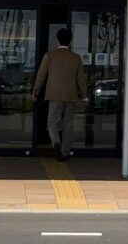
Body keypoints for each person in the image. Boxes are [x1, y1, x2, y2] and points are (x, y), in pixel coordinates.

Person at [30, 26, 89, 161]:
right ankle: (65, 151)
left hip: (54, 95)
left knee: (52, 123)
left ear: (57, 40)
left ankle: (56, 142)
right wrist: (84, 95)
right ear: (70, 42)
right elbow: (81, 78)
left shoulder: (50, 56)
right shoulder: (76, 58)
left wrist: (35, 92)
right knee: (68, 124)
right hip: (71, 96)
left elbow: (41, 76)